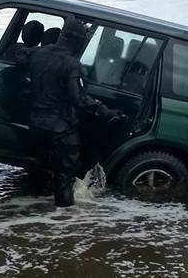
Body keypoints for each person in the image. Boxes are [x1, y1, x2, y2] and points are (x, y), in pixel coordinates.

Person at [22, 15, 125, 207]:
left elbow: (22, 60)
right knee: (64, 181)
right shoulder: (71, 64)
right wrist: (107, 112)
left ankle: (35, 216)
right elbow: (80, 99)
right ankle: (63, 225)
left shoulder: (38, 54)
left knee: (42, 173)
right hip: (60, 131)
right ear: (78, 40)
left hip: (35, 125)